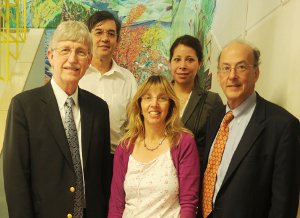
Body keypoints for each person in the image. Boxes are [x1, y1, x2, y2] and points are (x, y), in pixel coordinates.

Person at [3, 21, 112, 218]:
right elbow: (15, 178)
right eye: (65, 50)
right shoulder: (24, 106)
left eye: (80, 52)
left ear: (89, 61)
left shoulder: (99, 108)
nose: (73, 59)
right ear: (51, 56)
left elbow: (104, 174)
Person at [200, 41, 300, 218]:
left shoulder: (282, 126)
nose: (232, 75)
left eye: (241, 67)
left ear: (256, 73)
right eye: (225, 68)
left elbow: (283, 205)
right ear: (218, 76)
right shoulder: (215, 118)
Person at [108, 75, 200, 218]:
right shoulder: (125, 147)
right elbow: (116, 204)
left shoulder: (184, 143)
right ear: (139, 105)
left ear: (170, 105)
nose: (154, 104)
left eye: (162, 98)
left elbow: (189, 203)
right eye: (147, 97)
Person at [79, 10, 138, 156]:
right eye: (98, 32)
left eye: (111, 34)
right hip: (80, 158)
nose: (105, 38)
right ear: (88, 38)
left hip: (116, 158)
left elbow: (135, 125)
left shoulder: (127, 79)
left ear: (117, 41)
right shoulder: (77, 75)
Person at [170, 35, 223, 160]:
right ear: (170, 62)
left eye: (189, 60)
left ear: (200, 63)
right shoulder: (158, 98)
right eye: (177, 59)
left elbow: (217, 148)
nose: (182, 65)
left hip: (195, 173)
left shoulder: (211, 101)